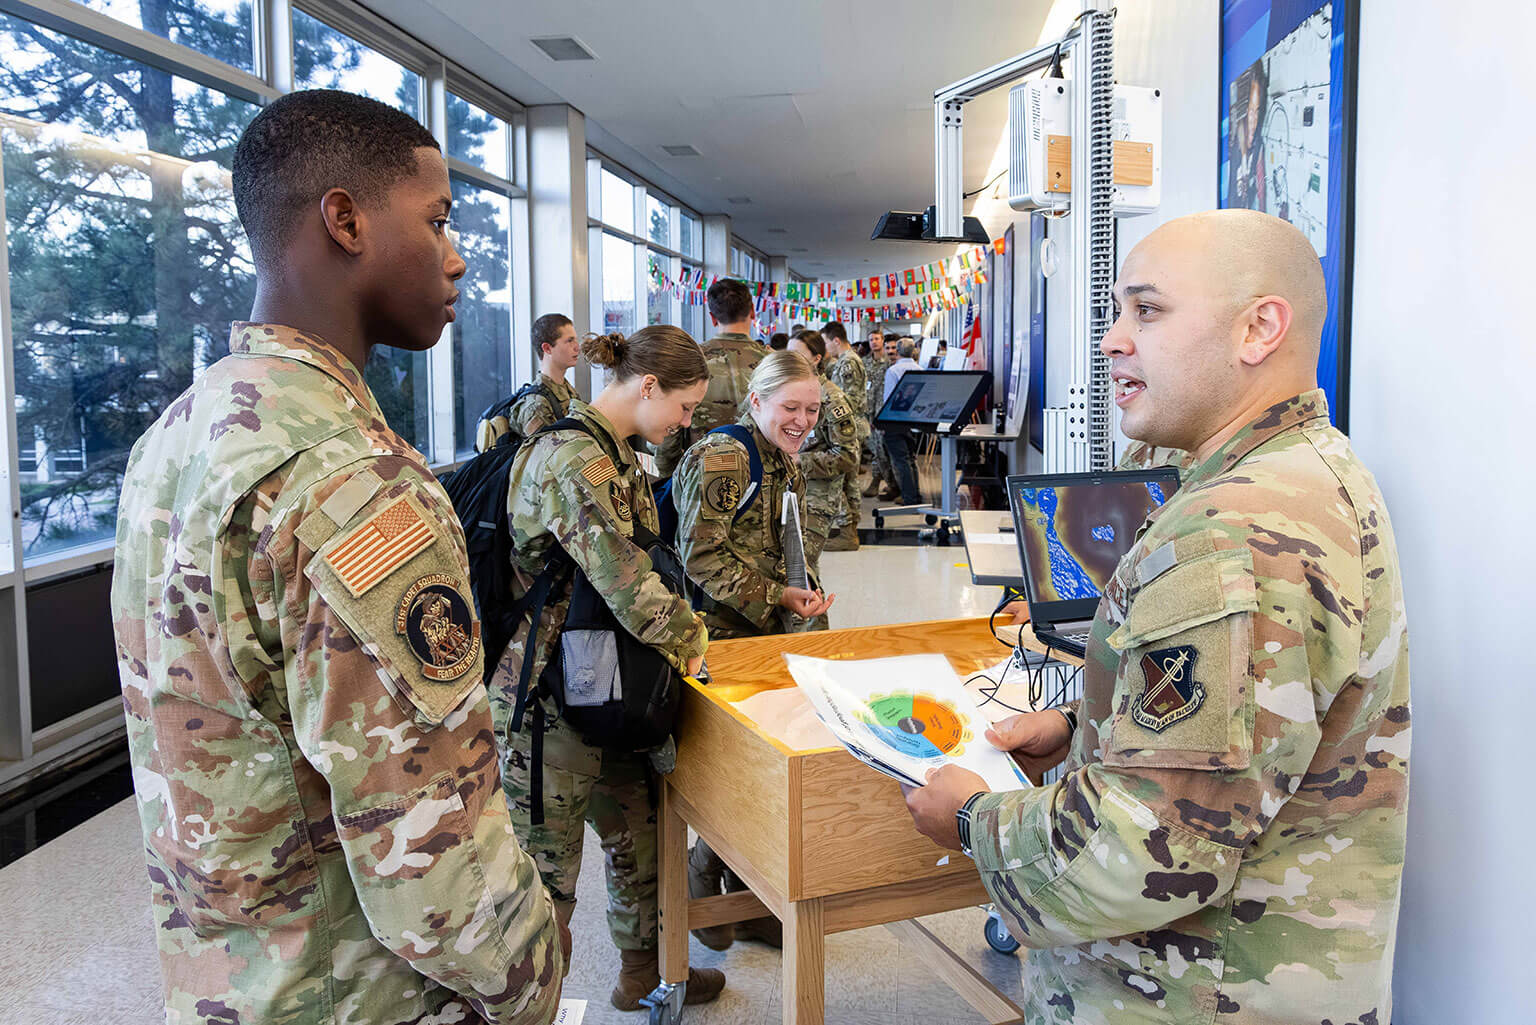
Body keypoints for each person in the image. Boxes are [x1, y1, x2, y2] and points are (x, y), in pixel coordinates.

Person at [110, 90, 566, 1025]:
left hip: (231, 979)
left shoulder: (180, 434)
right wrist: (533, 973)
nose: (457, 251)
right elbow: (431, 847)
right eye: (436, 219)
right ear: (346, 219)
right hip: (354, 993)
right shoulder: (353, 480)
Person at [902, 209, 1409, 1024]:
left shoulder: (1230, 529)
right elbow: (1260, 719)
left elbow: (1144, 852)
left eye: (1146, 309)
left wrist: (972, 819)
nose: (1110, 339)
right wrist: (1083, 725)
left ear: (1258, 329)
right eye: (1115, 311)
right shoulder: (1310, 470)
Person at [492, 326, 728, 1011]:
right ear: (648, 386)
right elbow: (626, 582)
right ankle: (533, 1006)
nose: (685, 424)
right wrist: (695, 641)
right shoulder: (574, 459)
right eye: (684, 408)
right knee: (546, 880)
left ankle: (641, 973)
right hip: (547, 704)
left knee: (642, 840)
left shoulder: (618, 455)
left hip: (604, 683)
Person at [672, 350, 835, 949]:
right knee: (733, 771)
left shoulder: (781, 456)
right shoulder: (725, 458)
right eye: (790, 407)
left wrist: (807, 595)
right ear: (757, 402)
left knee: (770, 767)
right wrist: (776, 597)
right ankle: (702, 871)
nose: (803, 421)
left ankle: (747, 891)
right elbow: (700, 557)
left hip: (769, 630)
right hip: (722, 638)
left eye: (812, 409)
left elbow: (786, 541)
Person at [653, 279, 764, 478]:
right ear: (753, 312)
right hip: (762, 477)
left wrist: (668, 476)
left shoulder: (690, 359)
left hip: (702, 475)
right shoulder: (773, 363)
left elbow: (670, 429)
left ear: (712, 318)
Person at [786, 331, 859, 623]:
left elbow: (848, 455)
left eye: (798, 354)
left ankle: (816, 641)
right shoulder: (789, 393)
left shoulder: (832, 398)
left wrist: (800, 461)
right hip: (792, 493)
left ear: (816, 359)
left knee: (804, 572)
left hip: (819, 498)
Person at [475, 313, 579, 451]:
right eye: (569, 341)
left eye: (575, 340)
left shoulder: (567, 390)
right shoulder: (535, 405)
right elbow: (545, 458)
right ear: (547, 348)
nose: (577, 347)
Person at [820, 320, 868, 550]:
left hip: (848, 427)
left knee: (847, 481)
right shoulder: (842, 362)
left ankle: (849, 533)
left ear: (835, 340)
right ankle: (848, 532)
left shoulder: (849, 363)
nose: (825, 348)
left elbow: (852, 399)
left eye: (825, 342)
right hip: (845, 425)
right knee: (848, 480)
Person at [880, 337, 924, 505]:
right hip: (914, 420)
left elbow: (889, 399)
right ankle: (916, 494)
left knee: (901, 461)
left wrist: (884, 423)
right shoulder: (920, 369)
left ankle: (909, 497)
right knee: (911, 459)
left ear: (897, 351)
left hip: (895, 420)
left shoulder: (893, 371)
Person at [862, 330, 893, 498]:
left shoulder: (889, 363)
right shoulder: (864, 362)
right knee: (875, 448)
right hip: (868, 410)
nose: (874, 342)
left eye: (876, 339)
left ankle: (890, 482)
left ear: (882, 341)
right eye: (871, 339)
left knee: (884, 449)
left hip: (883, 411)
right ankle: (878, 480)